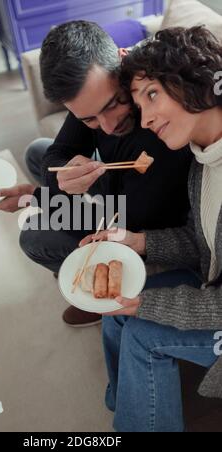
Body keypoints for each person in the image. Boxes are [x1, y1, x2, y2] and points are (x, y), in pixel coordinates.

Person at [0, 21, 193, 328]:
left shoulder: (161, 126)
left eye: (113, 105)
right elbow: (58, 152)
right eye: (89, 118)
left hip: (142, 220)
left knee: (34, 236)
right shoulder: (92, 93)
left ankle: (99, 290)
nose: (107, 126)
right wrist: (61, 179)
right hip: (120, 191)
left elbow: (123, 217)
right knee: (39, 151)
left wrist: (36, 196)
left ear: (123, 60)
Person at [81, 26, 222, 432]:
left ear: (193, 79)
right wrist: (135, 241)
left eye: (152, 94)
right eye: (139, 103)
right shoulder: (203, 163)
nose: (145, 118)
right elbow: (203, 244)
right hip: (209, 284)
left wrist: (148, 306)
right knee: (114, 310)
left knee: (142, 331)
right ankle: (127, 397)